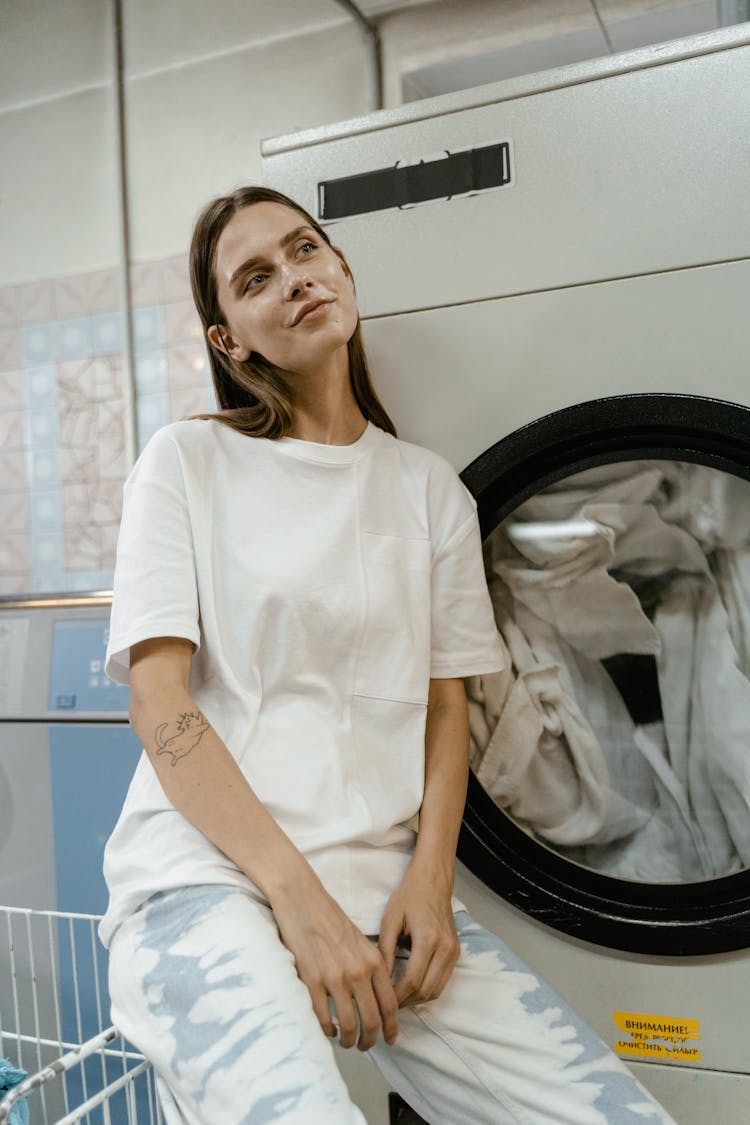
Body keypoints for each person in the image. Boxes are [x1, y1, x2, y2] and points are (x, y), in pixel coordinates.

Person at [100, 185, 677, 1125]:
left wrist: (432, 881)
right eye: (255, 278)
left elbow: (445, 705)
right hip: (205, 880)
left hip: (383, 888)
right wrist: (300, 901)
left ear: (342, 270)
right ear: (229, 341)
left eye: (303, 252)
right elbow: (159, 701)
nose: (293, 279)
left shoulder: (429, 491)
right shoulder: (187, 462)